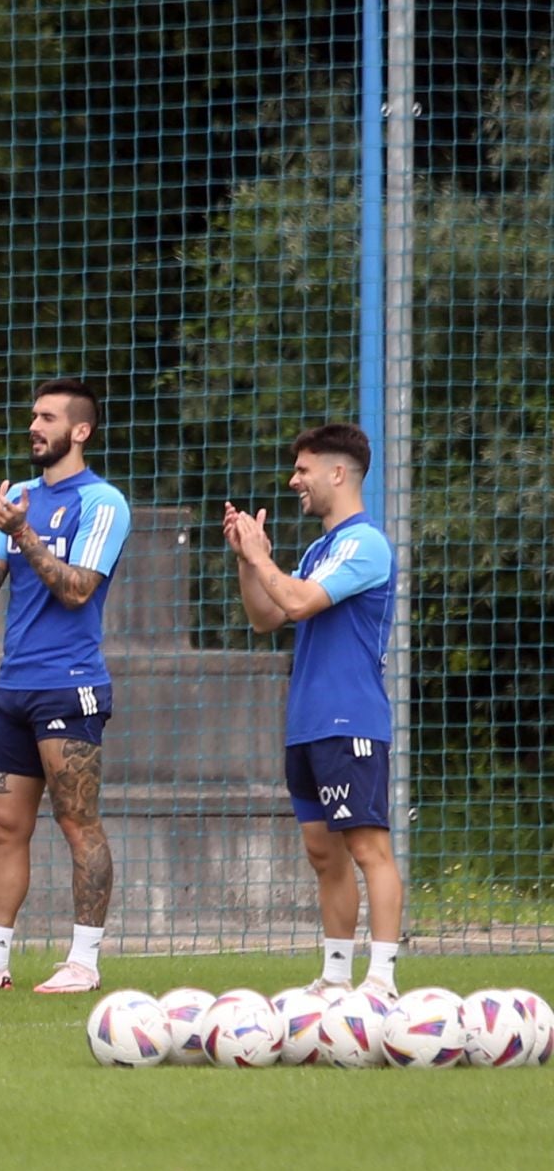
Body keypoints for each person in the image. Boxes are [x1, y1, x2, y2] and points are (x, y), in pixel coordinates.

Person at [0, 378, 131, 995]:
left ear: (81, 431)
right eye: (33, 417)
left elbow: (76, 590)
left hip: (69, 687)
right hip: (13, 687)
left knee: (78, 823)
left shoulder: (103, 503)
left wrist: (22, 533)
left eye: (47, 418)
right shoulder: (18, 496)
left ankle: (83, 962)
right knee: (4, 829)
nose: (35, 427)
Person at [224, 423, 401, 994]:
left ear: (337, 472)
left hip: (351, 719)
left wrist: (266, 562)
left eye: (303, 470)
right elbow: (265, 616)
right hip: (307, 722)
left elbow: (297, 601)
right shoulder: (321, 548)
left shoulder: (365, 543)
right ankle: (334, 978)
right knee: (323, 852)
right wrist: (251, 563)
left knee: (368, 847)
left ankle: (381, 979)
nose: (294, 480)